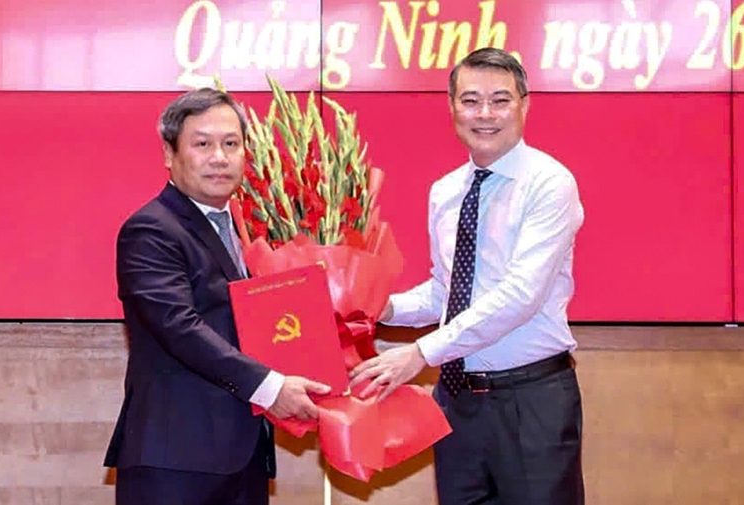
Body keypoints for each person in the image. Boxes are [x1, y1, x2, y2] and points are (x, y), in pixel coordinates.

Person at [349, 47, 585, 504]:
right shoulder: (446, 191)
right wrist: (373, 306)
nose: (485, 114)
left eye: (500, 100)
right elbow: (448, 292)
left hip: (530, 399)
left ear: (525, 104)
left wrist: (420, 352)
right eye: (470, 100)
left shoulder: (548, 183)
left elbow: (521, 295)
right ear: (452, 107)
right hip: (457, 401)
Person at [104, 88, 331, 505]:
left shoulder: (244, 232)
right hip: (175, 460)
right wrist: (271, 388)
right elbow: (179, 328)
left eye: (231, 144)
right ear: (169, 155)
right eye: (202, 144)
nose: (219, 157)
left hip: (242, 455)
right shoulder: (152, 229)